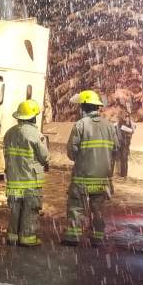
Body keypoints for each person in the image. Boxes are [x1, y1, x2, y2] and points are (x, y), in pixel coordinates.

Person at [63, 90, 118, 245]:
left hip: (83, 177)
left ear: (83, 107)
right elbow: (116, 149)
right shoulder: (109, 126)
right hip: (102, 178)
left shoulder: (80, 125)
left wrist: (82, 160)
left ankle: (73, 237)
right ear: (96, 107)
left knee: (76, 206)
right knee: (97, 208)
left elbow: (71, 151)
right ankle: (97, 238)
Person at [3, 99, 49, 246]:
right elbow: (45, 157)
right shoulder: (36, 134)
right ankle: (27, 238)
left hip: (13, 180)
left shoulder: (9, 133)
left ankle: (12, 237)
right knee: (30, 210)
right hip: (30, 181)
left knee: (15, 210)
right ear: (34, 116)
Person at [115, 107, 135, 179]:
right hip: (120, 144)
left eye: (127, 116)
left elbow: (132, 131)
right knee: (120, 159)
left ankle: (124, 174)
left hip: (125, 145)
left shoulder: (129, 125)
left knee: (124, 159)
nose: (126, 117)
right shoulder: (118, 125)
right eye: (124, 116)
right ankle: (121, 173)